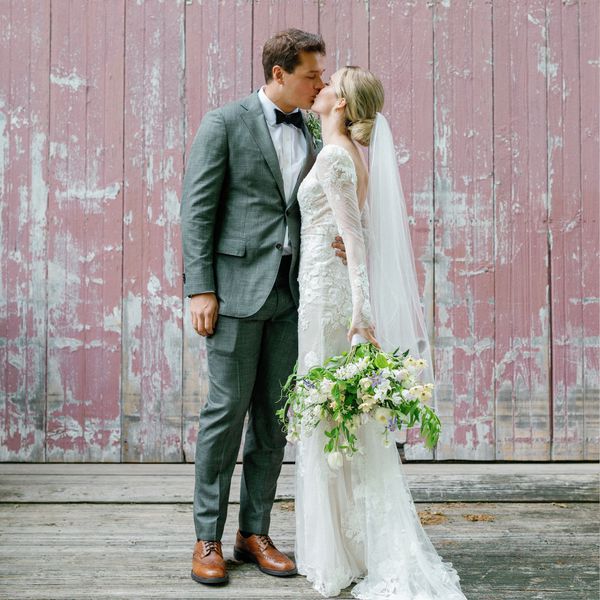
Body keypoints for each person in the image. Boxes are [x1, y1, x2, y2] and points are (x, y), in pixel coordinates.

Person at [294, 66, 468, 599]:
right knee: (336, 421)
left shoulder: (334, 156)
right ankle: (346, 544)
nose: (318, 87)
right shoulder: (344, 153)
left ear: (340, 102)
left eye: (328, 84)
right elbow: (357, 233)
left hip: (330, 301)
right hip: (321, 290)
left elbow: (354, 238)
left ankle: (346, 552)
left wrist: (361, 316)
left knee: (329, 421)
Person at [180, 29, 346, 586]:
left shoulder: (316, 130)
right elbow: (197, 211)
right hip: (233, 292)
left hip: (294, 293)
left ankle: (254, 533)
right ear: (279, 74)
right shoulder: (224, 123)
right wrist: (201, 288)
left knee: (276, 419)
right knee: (225, 417)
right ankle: (208, 537)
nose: (320, 83)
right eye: (311, 75)